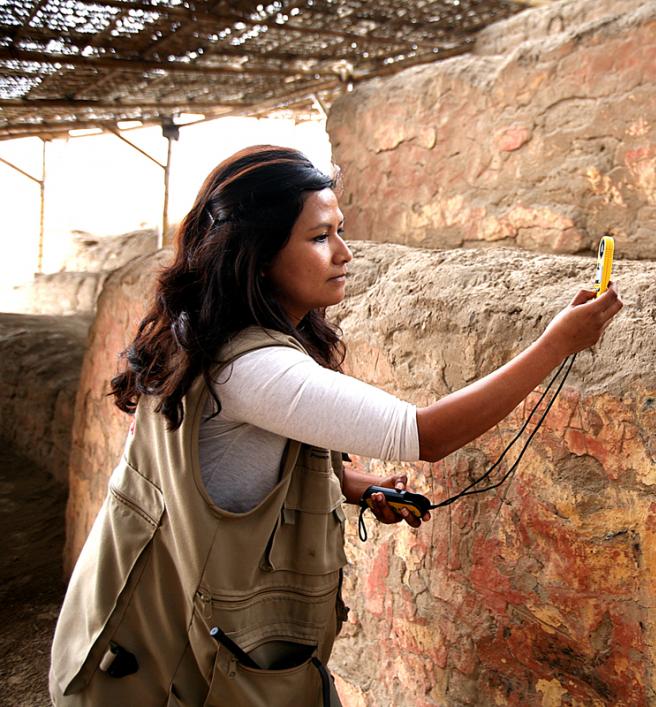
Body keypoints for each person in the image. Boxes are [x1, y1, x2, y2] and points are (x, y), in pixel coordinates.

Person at [48, 145, 623, 706]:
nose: (344, 252)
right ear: (258, 251)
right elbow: (427, 434)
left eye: (339, 230)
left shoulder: (206, 336)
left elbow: (229, 470)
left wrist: (353, 486)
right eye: (320, 237)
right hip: (162, 670)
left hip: (137, 649)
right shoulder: (251, 368)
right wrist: (557, 344)